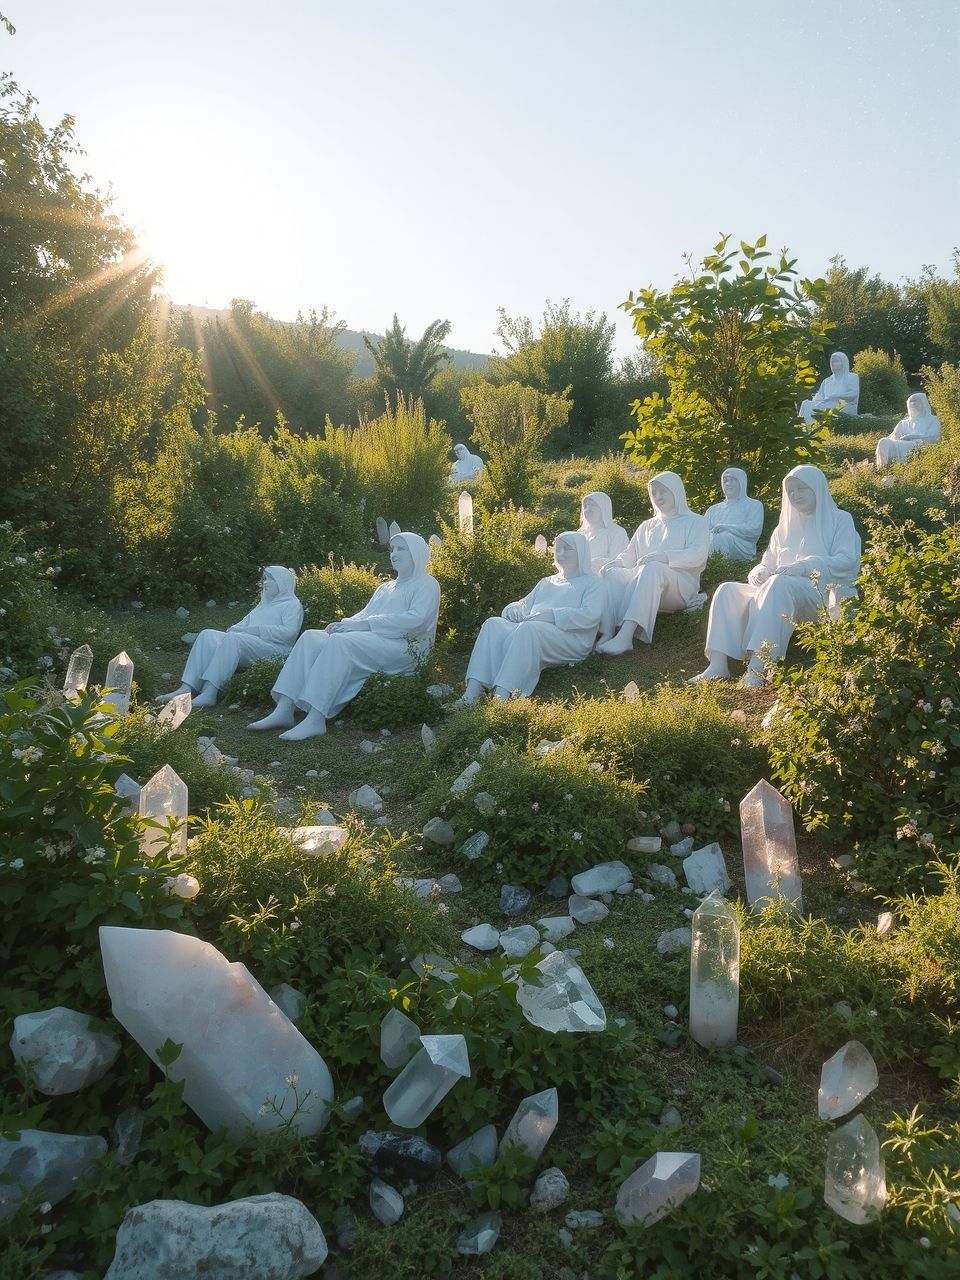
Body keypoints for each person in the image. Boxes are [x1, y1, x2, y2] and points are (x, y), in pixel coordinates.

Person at [248, 532, 439, 740]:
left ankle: (316, 717)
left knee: (341, 643)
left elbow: (416, 621)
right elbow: (364, 614)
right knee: (311, 637)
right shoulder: (385, 587)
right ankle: (284, 709)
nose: (394, 554)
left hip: (404, 647)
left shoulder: (427, 584)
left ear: (416, 553)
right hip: (376, 639)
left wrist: (364, 625)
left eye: (401, 549)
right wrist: (344, 624)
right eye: (392, 549)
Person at [690, 465, 860, 688]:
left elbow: (847, 561)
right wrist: (758, 572)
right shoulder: (784, 528)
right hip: (778, 590)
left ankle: (758, 667)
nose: (795, 494)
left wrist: (805, 567)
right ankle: (718, 664)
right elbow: (767, 561)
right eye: (791, 490)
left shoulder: (840, 519)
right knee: (727, 590)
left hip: (821, 592)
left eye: (801, 489)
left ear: (817, 489)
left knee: (780, 584)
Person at [455, 532, 603, 702]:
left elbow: (591, 615)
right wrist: (514, 608)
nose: (560, 553)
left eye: (567, 549)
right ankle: (473, 691)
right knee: (492, 624)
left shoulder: (593, 582)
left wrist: (552, 615)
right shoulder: (547, 581)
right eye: (558, 549)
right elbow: (524, 603)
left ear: (581, 552)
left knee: (529, 628)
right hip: (532, 629)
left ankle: (503, 693)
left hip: (570, 638)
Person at [157, 566, 302, 709]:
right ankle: (187, 687)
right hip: (250, 643)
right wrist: (236, 628)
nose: (265, 583)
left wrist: (254, 630)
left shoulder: (292, 605)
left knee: (234, 639)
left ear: (283, 582)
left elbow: (288, 634)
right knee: (207, 635)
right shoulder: (264, 604)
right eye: (265, 579)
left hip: (275, 648)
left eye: (271, 579)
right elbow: (244, 623)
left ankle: (210, 692)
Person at [596, 472, 709, 655]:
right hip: (645, 580)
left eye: (663, 491)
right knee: (611, 573)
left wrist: (664, 556)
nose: (658, 497)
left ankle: (625, 637)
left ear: (676, 491)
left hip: (680, 587)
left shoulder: (696, 521)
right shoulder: (647, 525)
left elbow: (698, 554)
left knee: (653, 568)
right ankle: (608, 631)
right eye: (654, 493)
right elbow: (630, 554)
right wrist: (617, 562)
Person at [705, 468, 765, 560]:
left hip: (741, 547)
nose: (728, 484)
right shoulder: (712, 510)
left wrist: (726, 528)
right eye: (725, 481)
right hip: (711, 544)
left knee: (720, 537)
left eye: (732, 480)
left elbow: (753, 530)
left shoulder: (754, 505)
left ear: (741, 482)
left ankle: (719, 565)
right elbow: (701, 531)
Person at [875, 392, 941, 468]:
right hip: (902, 443)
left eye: (916, 401)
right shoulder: (903, 423)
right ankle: (883, 468)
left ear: (923, 402)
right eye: (911, 401)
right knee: (883, 441)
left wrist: (912, 437)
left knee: (905, 445)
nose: (913, 404)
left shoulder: (933, 419)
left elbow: (934, 437)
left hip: (921, 445)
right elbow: (893, 436)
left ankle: (897, 466)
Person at [800, 352, 860, 424]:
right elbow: (819, 395)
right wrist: (817, 400)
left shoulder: (852, 377)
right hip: (826, 404)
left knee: (817, 407)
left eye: (836, 361)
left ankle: (811, 427)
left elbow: (853, 394)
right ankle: (806, 427)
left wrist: (836, 396)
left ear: (844, 363)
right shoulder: (827, 381)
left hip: (844, 406)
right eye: (832, 362)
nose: (833, 364)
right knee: (806, 404)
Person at [578, 491, 630, 571]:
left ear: (603, 508)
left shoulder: (616, 532)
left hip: (605, 574)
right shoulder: (580, 534)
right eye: (585, 506)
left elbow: (618, 561)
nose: (588, 509)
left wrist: (590, 562)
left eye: (592, 505)